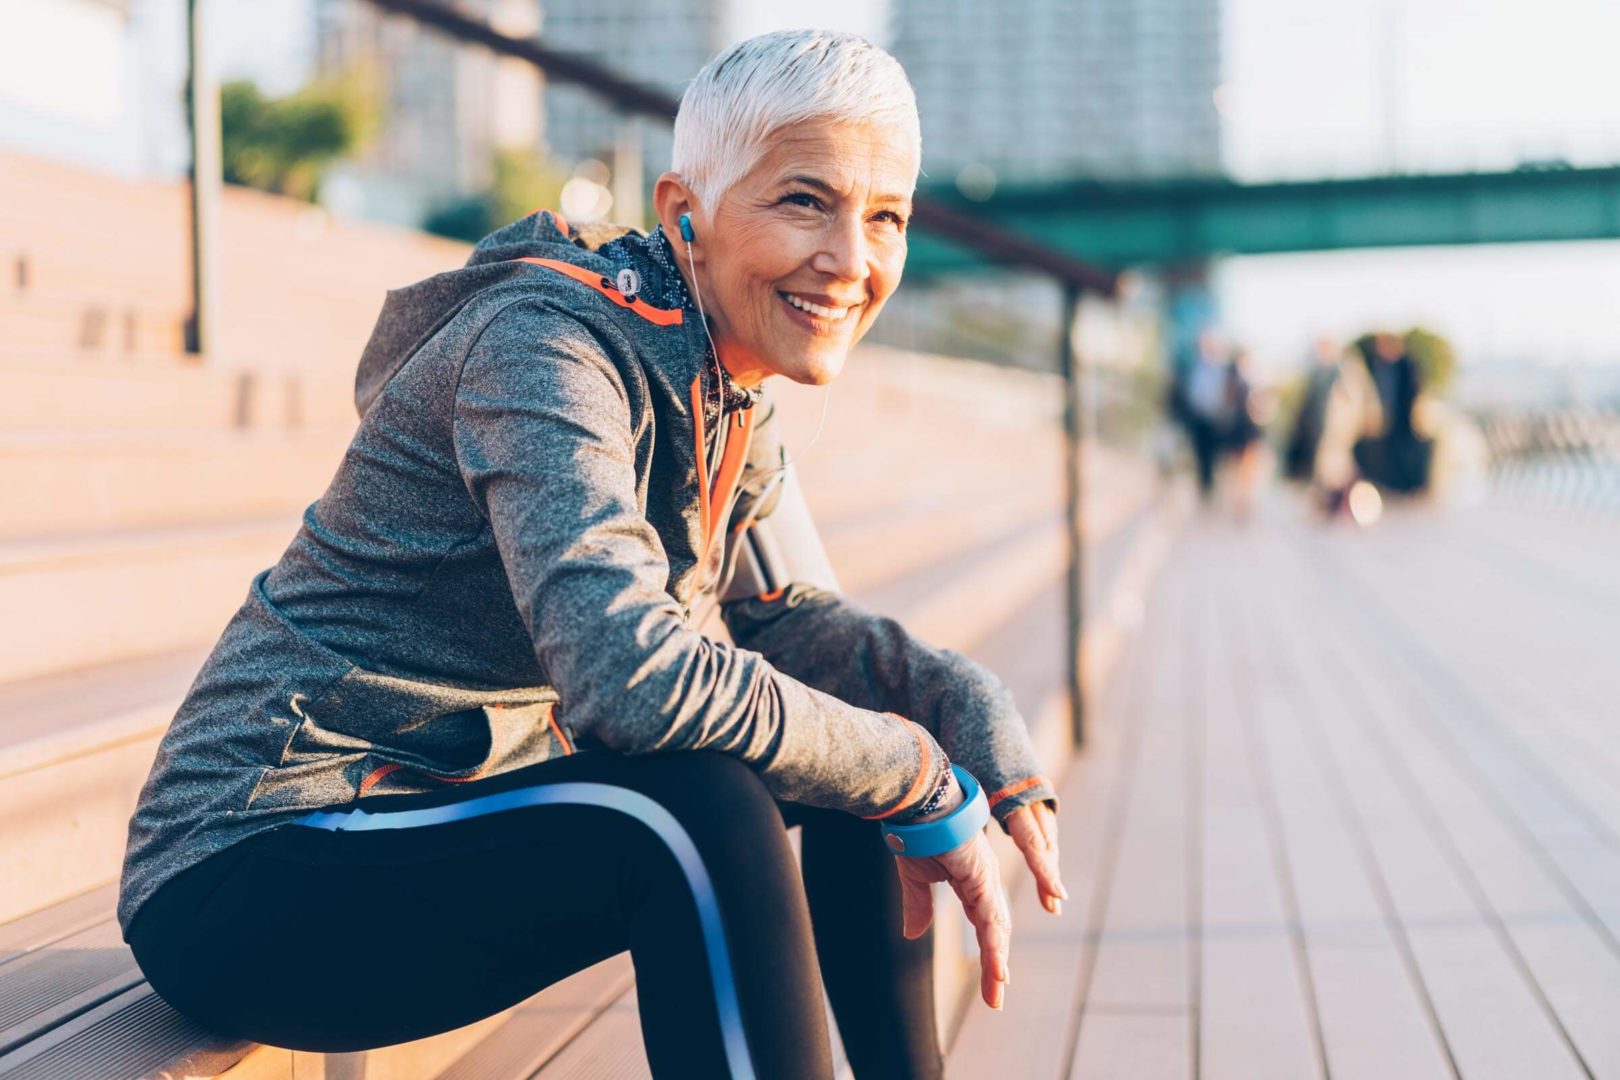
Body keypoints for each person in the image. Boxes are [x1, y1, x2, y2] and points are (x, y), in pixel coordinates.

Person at [116, 29, 1065, 1080]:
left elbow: (786, 627)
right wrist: (918, 775)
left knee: (852, 756)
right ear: (683, 214)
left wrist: (952, 708)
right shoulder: (546, 345)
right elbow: (633, 681)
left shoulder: (725, 375)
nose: (851, 259)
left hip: (442, 805)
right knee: (699, 804)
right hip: (261, 862)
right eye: (805, 201)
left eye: (884, 216)